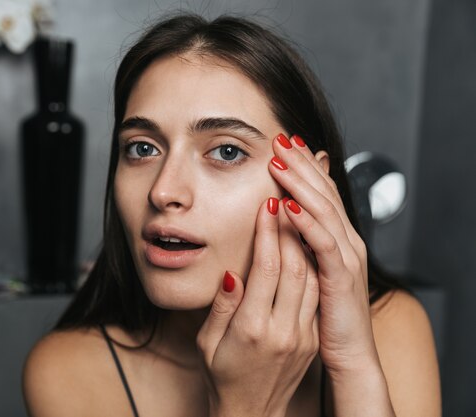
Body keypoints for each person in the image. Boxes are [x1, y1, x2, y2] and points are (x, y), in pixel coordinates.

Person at [23, 13, 441, 417]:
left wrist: (353, 367)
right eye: (142, 148)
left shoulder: (389, 327)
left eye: (227, 151)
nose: (163, 190)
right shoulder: (68, 373)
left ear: (312, 185)